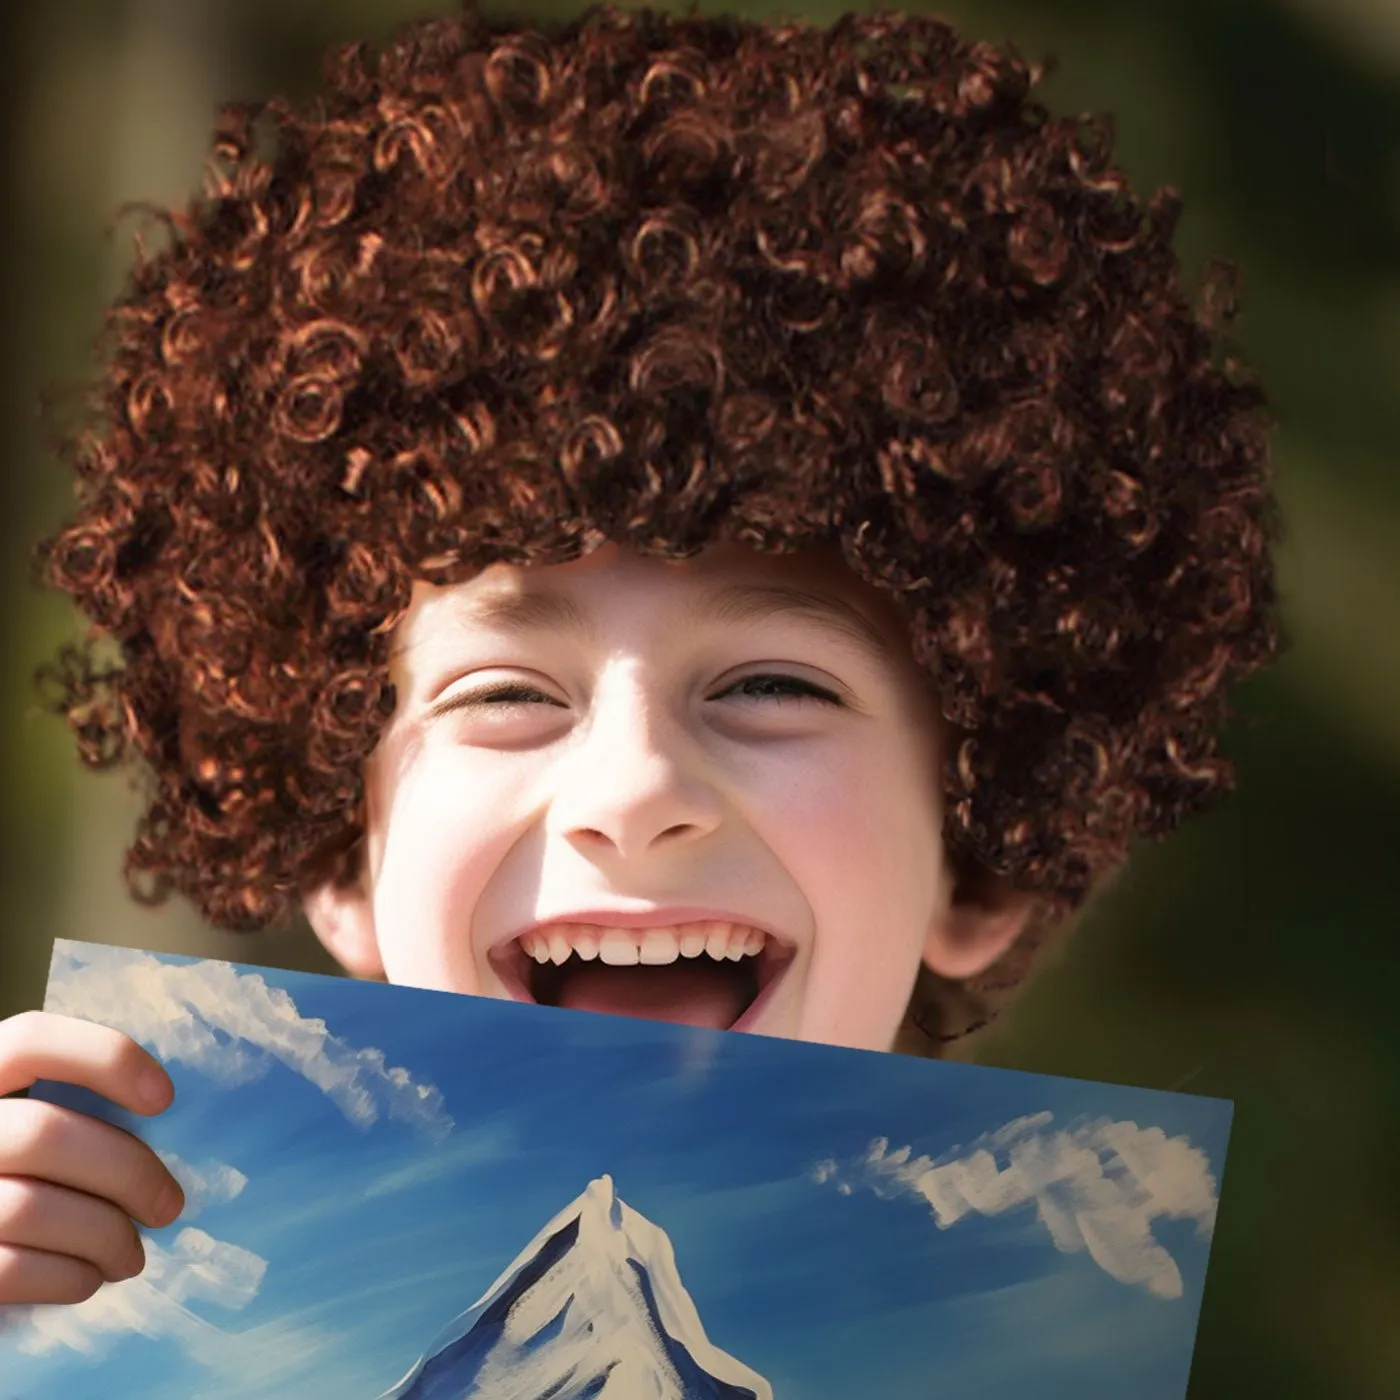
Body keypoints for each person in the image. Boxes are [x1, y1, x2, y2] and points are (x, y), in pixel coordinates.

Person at [0, 3, 1278, 1310]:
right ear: (345, 855)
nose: (632, 792)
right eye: (503, 692)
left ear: (980, 853)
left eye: (772, 684)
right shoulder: (82, 1317)